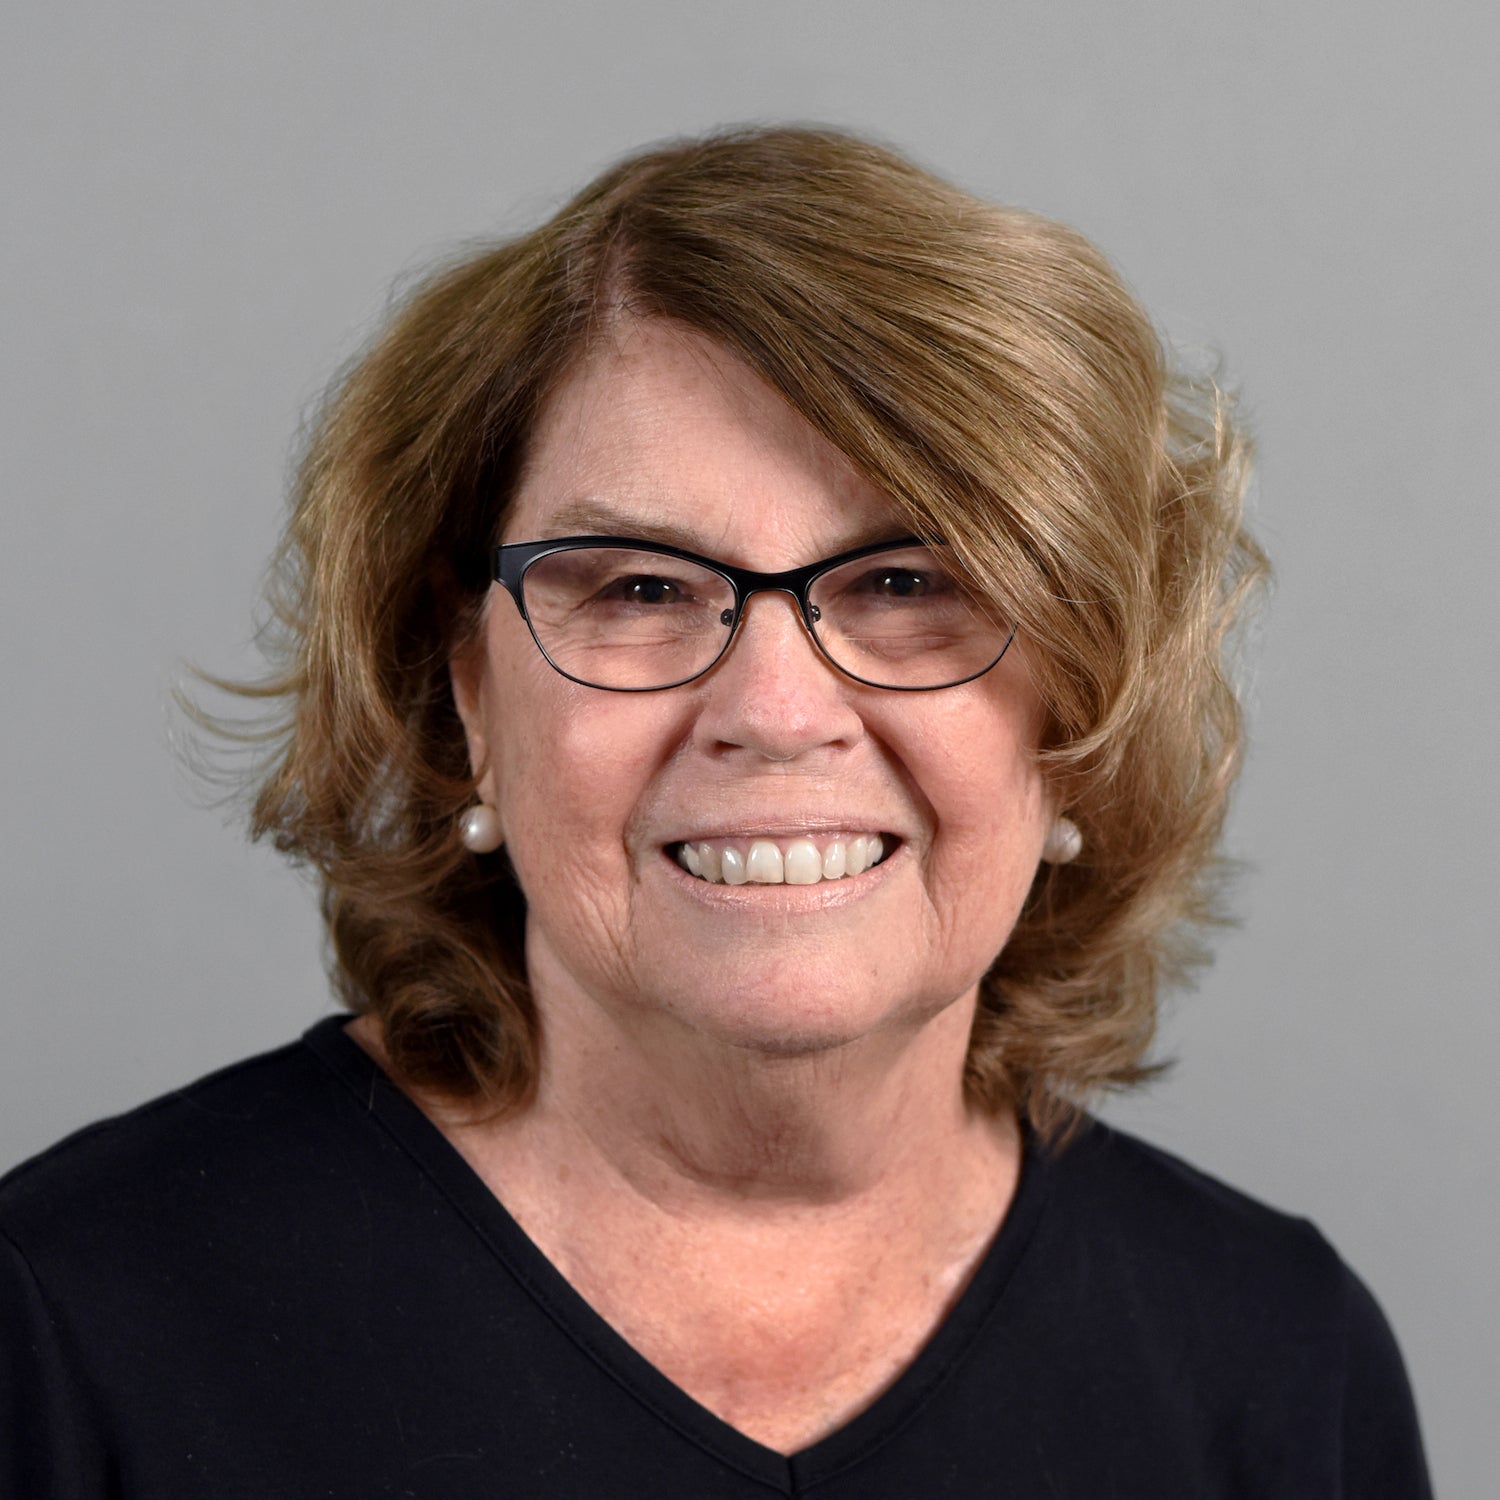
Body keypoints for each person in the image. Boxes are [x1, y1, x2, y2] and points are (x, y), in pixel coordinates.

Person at [0, 126, 1430, 1497]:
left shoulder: (1278, 1367)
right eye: (636, 589)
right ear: (470, 694)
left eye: (909, 582)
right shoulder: (74, 1328)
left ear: (1087, 701)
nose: (776, 709)